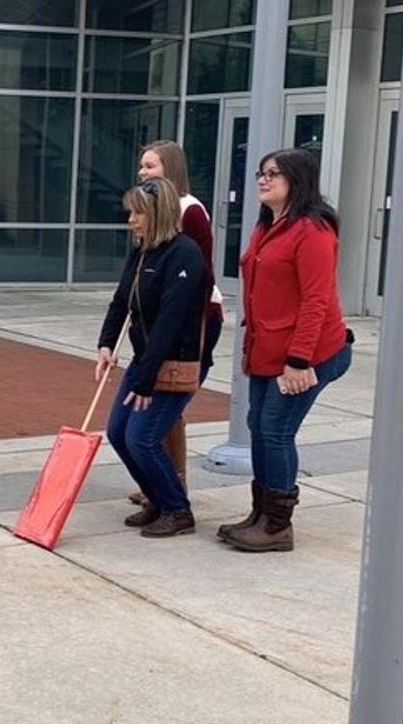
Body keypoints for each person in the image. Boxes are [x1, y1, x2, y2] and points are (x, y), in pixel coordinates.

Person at [217, 149, 353, 553]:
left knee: (275, 431)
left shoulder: (312, 231)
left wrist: (299, 361)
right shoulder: (268, 226)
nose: (263, 179)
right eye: (261, 173)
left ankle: (277, 526)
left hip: (307, 354)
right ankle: (261, 513)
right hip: (268, 351)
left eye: (273, 174)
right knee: (259, 426)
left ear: (298, 179)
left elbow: (317, 300)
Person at [96, 178, 214, 538]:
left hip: (174, 363)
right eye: (130, 212)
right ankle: (158, 499)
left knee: (142, 438)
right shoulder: (142, 250)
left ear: (158, 213)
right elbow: (122, 301)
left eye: (138, 213)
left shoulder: (185, 254)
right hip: (145, 360)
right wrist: (106, 343)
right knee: (118, 433)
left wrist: (148, 378)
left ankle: (177, 510)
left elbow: (170, 321)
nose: (131, 219)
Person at [126, 139, 226, 508]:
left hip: (194, 317)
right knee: (161, 409)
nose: (143, 172)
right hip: (162, 316)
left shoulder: (189, 210)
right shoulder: (148, 209)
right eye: (142, 166)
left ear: (170, 167)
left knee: (168, 402)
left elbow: (199, 269)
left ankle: (173, 481)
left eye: (150, 166)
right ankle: (162, 478)